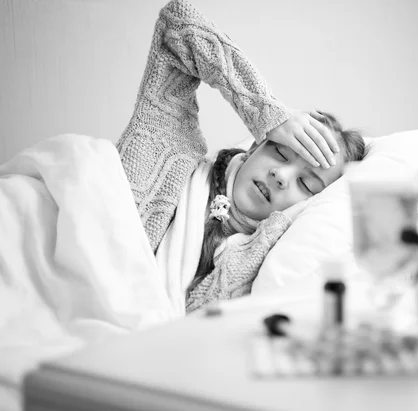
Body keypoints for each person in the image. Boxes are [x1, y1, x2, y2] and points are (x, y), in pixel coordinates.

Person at [116, 0, 367, 313]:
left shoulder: (267, 262)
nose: (281, 175)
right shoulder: (171, 153)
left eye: (306, 183)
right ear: (254, 147)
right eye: (279, 152)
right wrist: (268, 113)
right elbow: (177, 23)